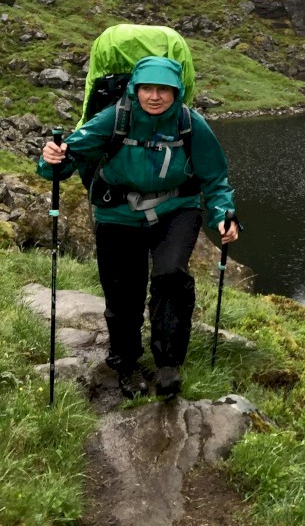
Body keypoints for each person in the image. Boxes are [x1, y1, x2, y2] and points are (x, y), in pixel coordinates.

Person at [38, 55, 240, 399]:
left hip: (177, 210)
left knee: (171, 276)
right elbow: (65, 158)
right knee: (122, 292)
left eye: (165, 89)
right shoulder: (113, 118)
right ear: (135, 89)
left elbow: (215, 178)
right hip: (117, 214)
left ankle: (168, 363)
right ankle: (126, 363)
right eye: (148, 88)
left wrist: (223, 213)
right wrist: (52, 158)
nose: (155, 96)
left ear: (177, 92)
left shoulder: (192, 124)